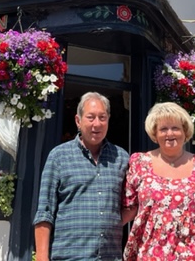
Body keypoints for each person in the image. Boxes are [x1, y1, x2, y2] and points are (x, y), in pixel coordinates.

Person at [121, 102, 195, 261]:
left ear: (185, 132)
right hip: (150, 256)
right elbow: (129, 208)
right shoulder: (140, 163)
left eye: (175, 128)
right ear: (155, 134)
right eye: (163, 129)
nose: (169, 133)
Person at [34, 92, 130, 261]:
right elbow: (45, 211)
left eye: (102, 117)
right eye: (91, 117)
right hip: (69, 257)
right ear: (78, 121)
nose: (97, 124)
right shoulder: (59, 156)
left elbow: (129, 205)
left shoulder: (121, 158)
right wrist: (42, 257)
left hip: (110, 257)